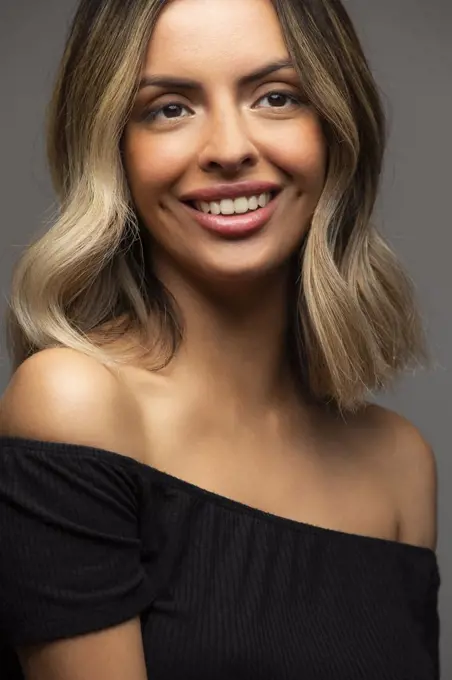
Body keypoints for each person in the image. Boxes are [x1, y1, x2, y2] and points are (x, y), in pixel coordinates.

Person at [0, 0, 440, 678]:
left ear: (336, 129)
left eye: (276, 96)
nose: (230, 149)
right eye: (169, 108)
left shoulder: (399, 465)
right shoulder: (75, 405)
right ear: (113, 145)